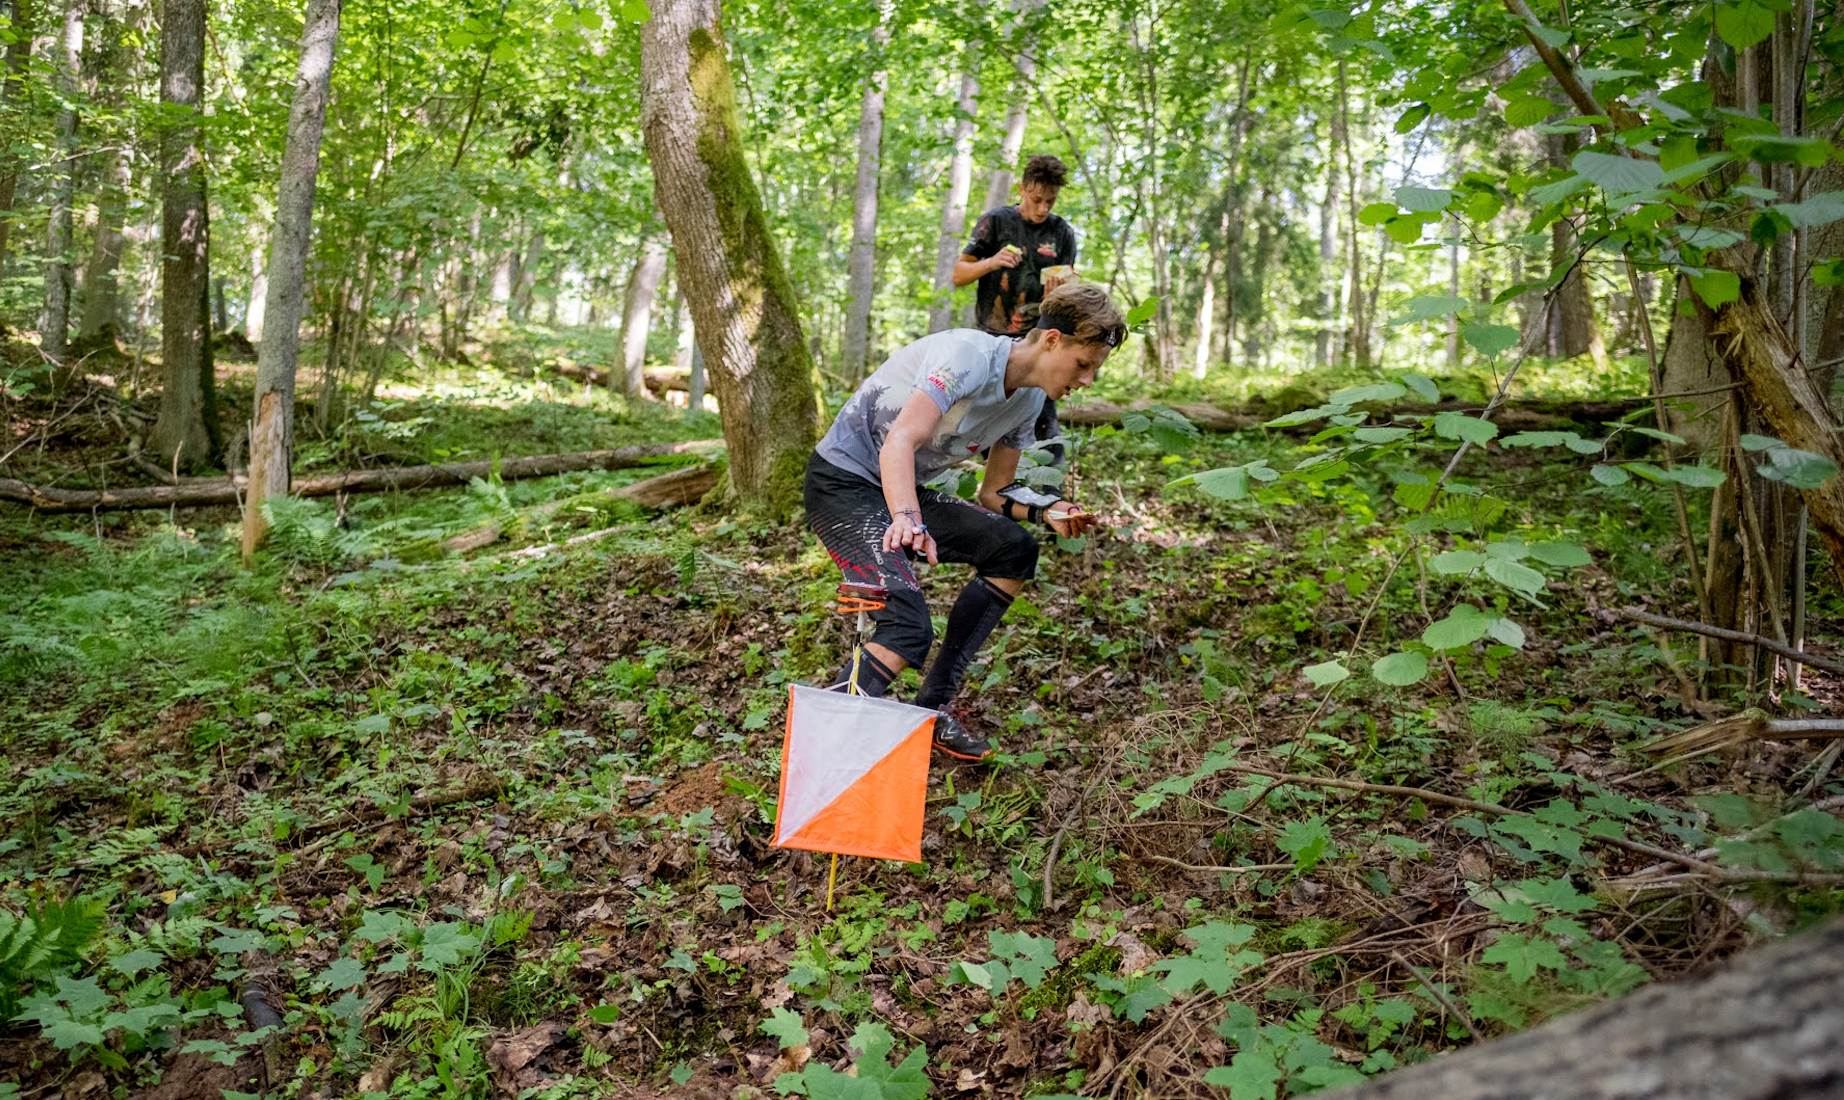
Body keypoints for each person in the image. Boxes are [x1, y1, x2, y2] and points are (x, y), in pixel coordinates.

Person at [804, 283, 1125, 762]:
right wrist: (907, 519)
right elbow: (900, 441)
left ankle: (931, 712)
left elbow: (993, 494)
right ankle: (822, 749)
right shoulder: (968, 356)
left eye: (1096, 370)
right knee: (908, 626)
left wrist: (1046, 510)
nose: (1088, 381)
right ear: (1052, 340)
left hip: (903, 490)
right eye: (1084, 364)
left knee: (1014, 548)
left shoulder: (1031, 401)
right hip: (844, 482)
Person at [955, 154, 1078, 472]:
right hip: (994, 340)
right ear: (1022, 189)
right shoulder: (995, 222)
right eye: (1037, 199)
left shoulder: (1061, 232)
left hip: (1040, 341)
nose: (1043, 208)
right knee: (987, 411)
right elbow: (958, 275)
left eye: (1050, 201)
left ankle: (1048, 490)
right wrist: (992, 262)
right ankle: (982, 477)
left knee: (1043, 415)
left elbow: (1068, 286)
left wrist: (1060, 293)